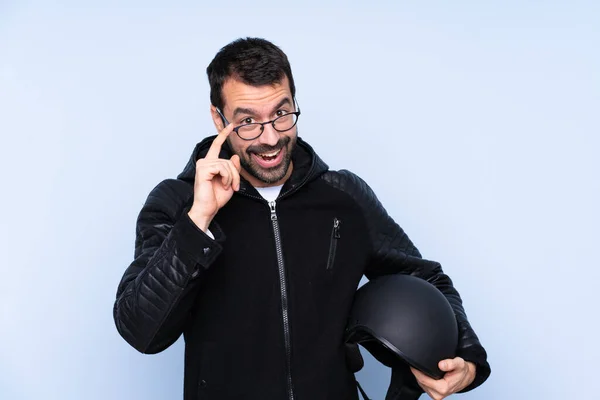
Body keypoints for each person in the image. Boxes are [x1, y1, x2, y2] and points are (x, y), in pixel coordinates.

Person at [113, 37, 491, 400]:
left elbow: (425, 278)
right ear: (218, 119)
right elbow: (141, 331)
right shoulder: (177, 203)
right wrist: (198, 221)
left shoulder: (344, 196)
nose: (271, 138)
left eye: (281, 113)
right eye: (247, 122)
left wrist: (468, 361)